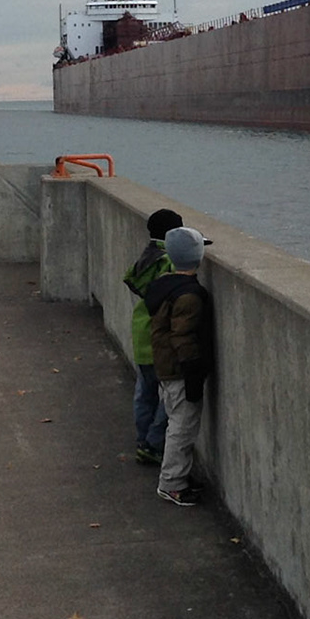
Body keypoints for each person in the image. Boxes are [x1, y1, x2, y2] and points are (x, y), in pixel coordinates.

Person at [145, 226, 214, 506]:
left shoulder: (165, 285)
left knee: (177, 422)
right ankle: (171, 483)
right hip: (180, 372)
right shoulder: (188, 297)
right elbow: (183, 338)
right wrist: (194, 374)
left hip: (166, 367)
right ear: (197, 258)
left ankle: (179, 476)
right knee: (182, 428)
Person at [123, 208, 183, 465]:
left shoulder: (146, 258)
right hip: (159, 339)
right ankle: (154, 442)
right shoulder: (168, 261)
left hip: (141, 333)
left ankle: (142, 440)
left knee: (144, 392)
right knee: (171, 396)